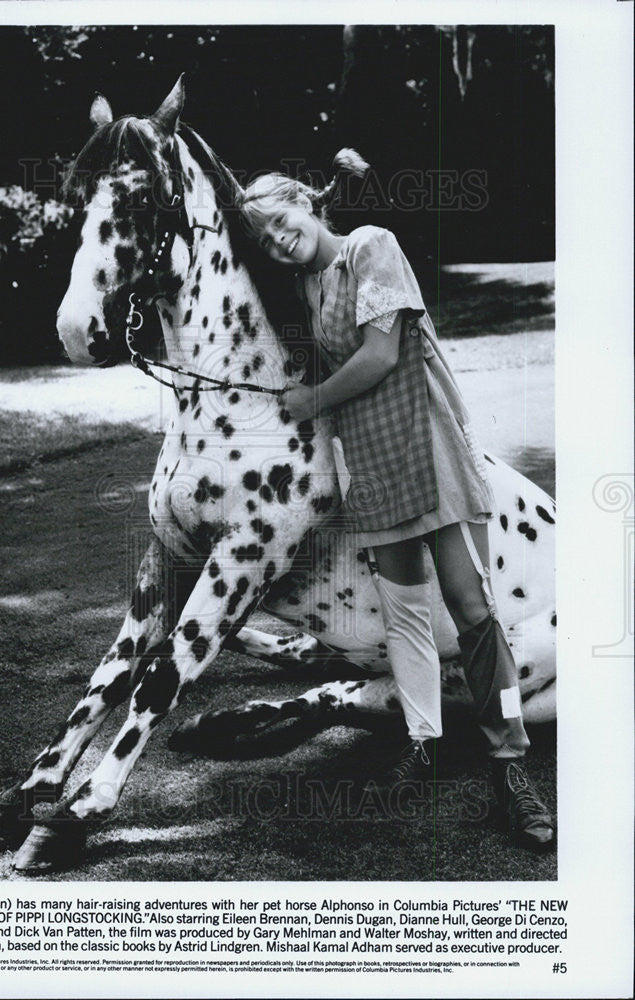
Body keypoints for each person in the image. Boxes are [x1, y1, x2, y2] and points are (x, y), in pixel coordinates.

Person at [237, 154, 555, 849]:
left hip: (428, 445)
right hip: (369, 462)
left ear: (305, 203)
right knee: (406, 616)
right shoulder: (304, 287)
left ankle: (509, 766)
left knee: (473, 611)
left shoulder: (370, 245)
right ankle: (422, 740)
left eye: (280, 222)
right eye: (262, 238)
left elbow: (380, 355)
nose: (276, 240)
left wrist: (310, 400)